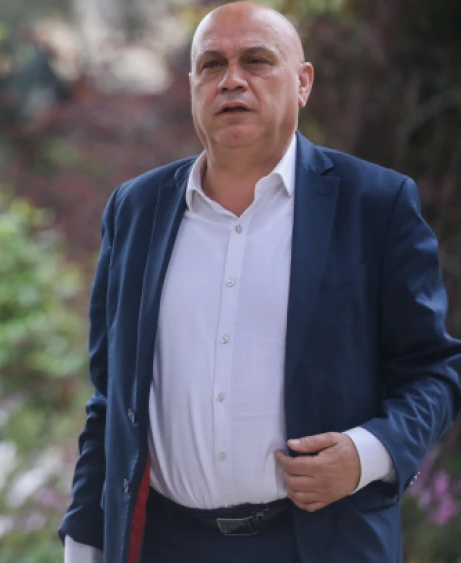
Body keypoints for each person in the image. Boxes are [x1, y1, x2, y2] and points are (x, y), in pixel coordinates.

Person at [59, 2, 461, 563]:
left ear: (303, 83)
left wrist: (368, 454)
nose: (233, 81)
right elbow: (111, 401)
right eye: (212, 64)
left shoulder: (376, 204)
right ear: (192, 84)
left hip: (319, 544)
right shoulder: (135, 209)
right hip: (164, 544)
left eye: (256, 60)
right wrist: (83, 543)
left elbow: (434, 370)